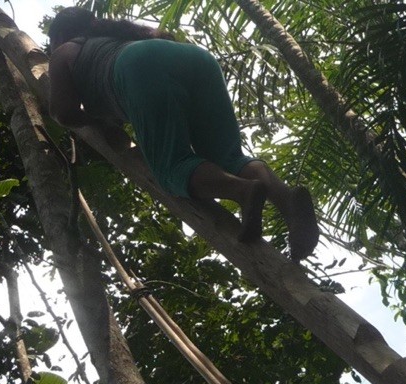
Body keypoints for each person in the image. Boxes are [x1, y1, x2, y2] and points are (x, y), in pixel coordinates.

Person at [46, 7, 319, 260]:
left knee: (172, 166)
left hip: (138, 65)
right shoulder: (117, 37)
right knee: (229, 157)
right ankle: (287, 201)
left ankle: (242, 190)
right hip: (193, 58)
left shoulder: (64, 51)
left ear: (59, 35)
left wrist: (100, 122)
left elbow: (63, 112)